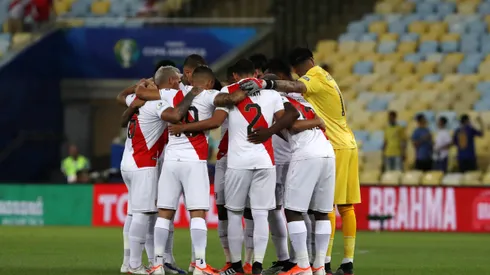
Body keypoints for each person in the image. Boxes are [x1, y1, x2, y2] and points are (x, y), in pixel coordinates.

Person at [240, 47, 359, 275]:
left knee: (294, 210)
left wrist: (269, 122)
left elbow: (293, 112)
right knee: (328, 210)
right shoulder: (320, 84)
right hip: (333, 147)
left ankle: (303, 265)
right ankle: (323, 266)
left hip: (312, 151)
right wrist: (317, 122)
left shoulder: (305, 83)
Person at [143, 66, 248, 275]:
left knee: (164, 213)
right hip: (194, 161)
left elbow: (143, 93)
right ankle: (199, 264)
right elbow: (219, 119)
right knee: (197, 213)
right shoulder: (212, 95)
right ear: (209, 83)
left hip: (171, 159)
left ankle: (156, 264)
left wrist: (145, 83)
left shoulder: (169, 93)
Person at [214, 59, 299, 275]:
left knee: (234, 214)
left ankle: (235, 266)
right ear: (255, 72)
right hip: (265, 161)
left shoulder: (229, 90)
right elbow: (288, 117)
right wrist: (270, 131)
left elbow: (217, 120)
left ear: (234, 75)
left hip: (238, 162)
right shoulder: (271, 93)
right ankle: (258, 265)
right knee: (261, 214)